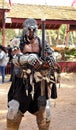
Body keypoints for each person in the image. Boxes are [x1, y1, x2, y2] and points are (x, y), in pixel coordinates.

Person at [7, 18, 57, 130]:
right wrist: (27, 58)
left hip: (40, 83)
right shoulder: (17, 41)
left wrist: (51, 59)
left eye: (34, 30)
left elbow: (51, 54)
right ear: (25, 29)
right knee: (13, 110)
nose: (31, 32)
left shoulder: (42, 42)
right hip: (22, 83)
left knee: (45, 112)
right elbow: (15, 58)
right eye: (29, 29)